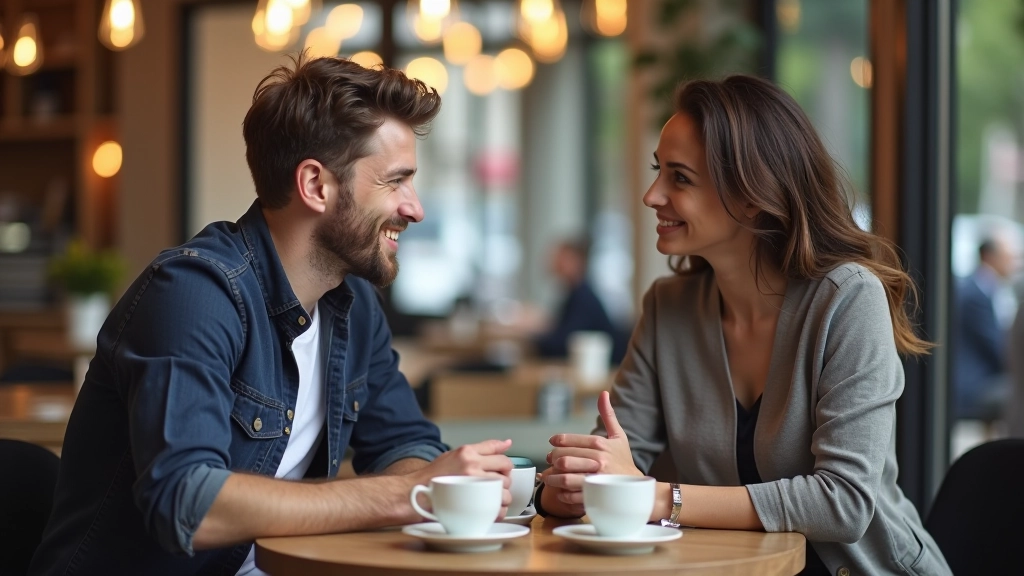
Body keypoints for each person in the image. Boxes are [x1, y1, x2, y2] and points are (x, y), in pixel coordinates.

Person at [29, 56, 514, 575]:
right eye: (396, 182)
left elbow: (406, 443)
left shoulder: (353, 305)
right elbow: (188, 503)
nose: (415, 208)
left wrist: (421, 483)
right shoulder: (194, 293)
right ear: (315, 185)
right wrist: (407, 493)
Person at [536, 75, 951, 575]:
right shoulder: (668, 308)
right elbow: (622, 461)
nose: (651, 195)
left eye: (680, 178)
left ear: (753, 196)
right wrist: (570, 485)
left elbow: (843, 503)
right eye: (657, 171)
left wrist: (656, 497)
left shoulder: (848, 299)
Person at [532, 238, 628, 364]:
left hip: (604, 372)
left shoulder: (583, 298)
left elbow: (562, 344)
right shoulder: (573, 294)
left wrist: (533, 333)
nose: (555, 263)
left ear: (578, 262)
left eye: (563, 258)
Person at [952, 236, 1016, 422]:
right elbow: (997, 348)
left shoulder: (983, 287)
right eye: (1009, 257)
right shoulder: (977, 293)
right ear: (990, 257)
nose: (1013, 263)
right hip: (974, 384)